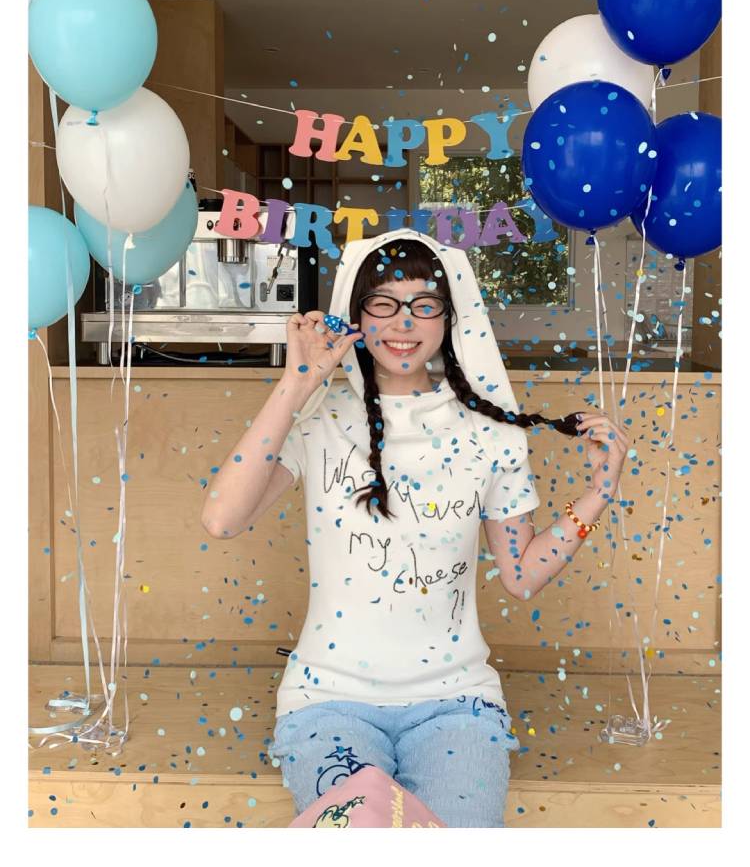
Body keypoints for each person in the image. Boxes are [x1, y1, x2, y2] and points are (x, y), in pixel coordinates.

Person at [201, 228, 629, 827]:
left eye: (424, 304)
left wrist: (598, 494)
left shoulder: (493, 435)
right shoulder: (319, 419)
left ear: (450, 318)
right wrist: (297, 381)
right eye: (383, 303)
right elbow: (222, 518)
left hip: (458, 706)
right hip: (327, 703)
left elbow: (522, 577)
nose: (404, 322)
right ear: (357, 315)